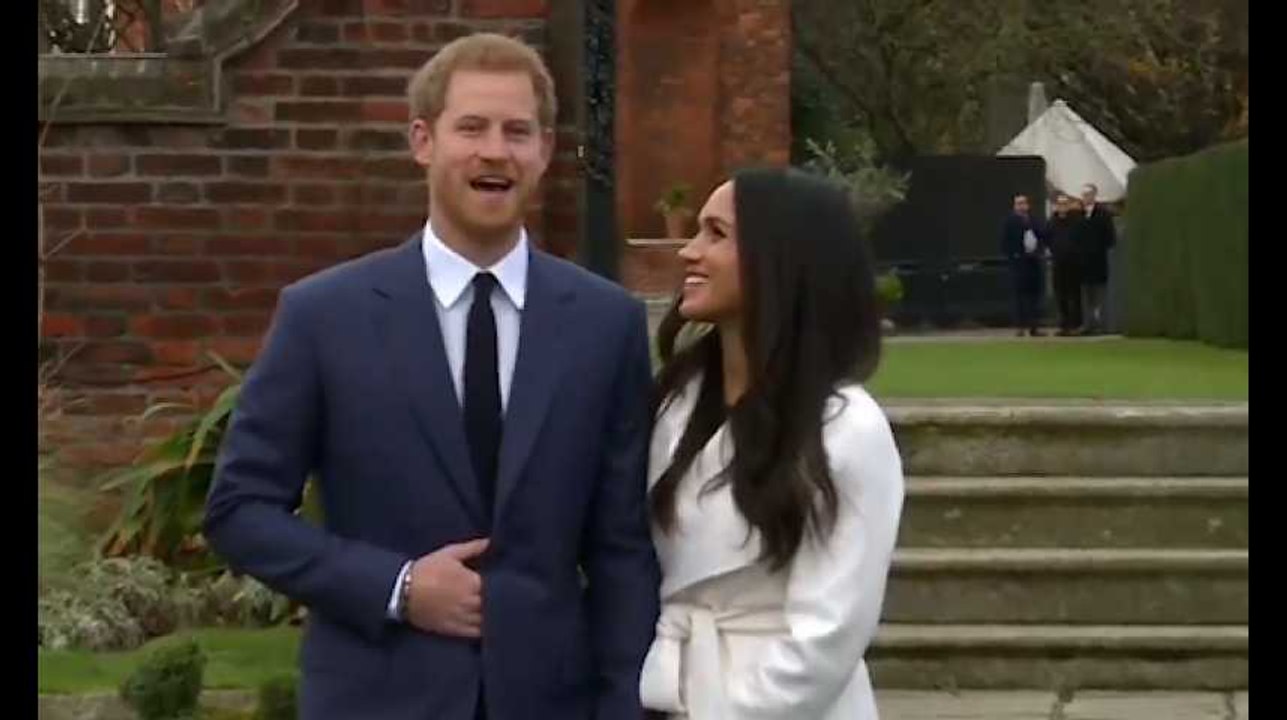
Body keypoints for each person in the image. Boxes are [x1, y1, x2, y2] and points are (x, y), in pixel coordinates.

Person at [203, 33, 660, 720]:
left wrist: (625, 705)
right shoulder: (324, 316)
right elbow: (240, 511)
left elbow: (623, 547)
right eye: (470, 127)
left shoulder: (607, 324)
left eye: (517, 131)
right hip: (376, 694)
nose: (495, 151)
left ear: (544, 150)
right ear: (423, 140)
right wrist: (397, 583)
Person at [639, 168, 905, 720]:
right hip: (671, 691)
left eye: (716, 234)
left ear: (777, 259)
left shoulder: (849, 429)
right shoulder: (675, 405)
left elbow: (830, 632)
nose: (689, 251)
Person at [1073, 182, 1117, 335]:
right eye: (1083, 195)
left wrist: (1097, 248)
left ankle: (1101, 325)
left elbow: (1110, 237)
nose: (1085, 198)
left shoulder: (1103, 214)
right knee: (1086, 295)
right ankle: (1087, 324)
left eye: (1088, 195)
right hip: (1083, 263)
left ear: (1094, 196)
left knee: (1099, 294)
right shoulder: (1078, 215)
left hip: (1098, 261)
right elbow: (1075, 237)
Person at [1000, 193, 1046, 337]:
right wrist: (1013, 256)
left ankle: (1034, 327)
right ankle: (1019, 327)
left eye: (1024, 203)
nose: (1022, 206)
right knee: (1019, 296)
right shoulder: (1009, 221)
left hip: (1033, 262)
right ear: (1015, 206)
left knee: (1034, 296)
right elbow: (1004, 243)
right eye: (1019, 203)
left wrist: (1038, 252)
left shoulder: (1034, 220)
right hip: (1018, 263)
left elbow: (1042, 237)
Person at [1046, 192, 1084, 335]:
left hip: (1073, 263)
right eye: (1060, 204)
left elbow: (1080, 239)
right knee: (1060, 294)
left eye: (1065, 204)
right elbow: (1047, 238)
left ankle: (1076, 324)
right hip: (1058, 262)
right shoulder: (1052, 222)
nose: (1062, 207)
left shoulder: (1076, 221)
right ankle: (1064, 324)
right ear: (1056, 206)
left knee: (1075, 294)